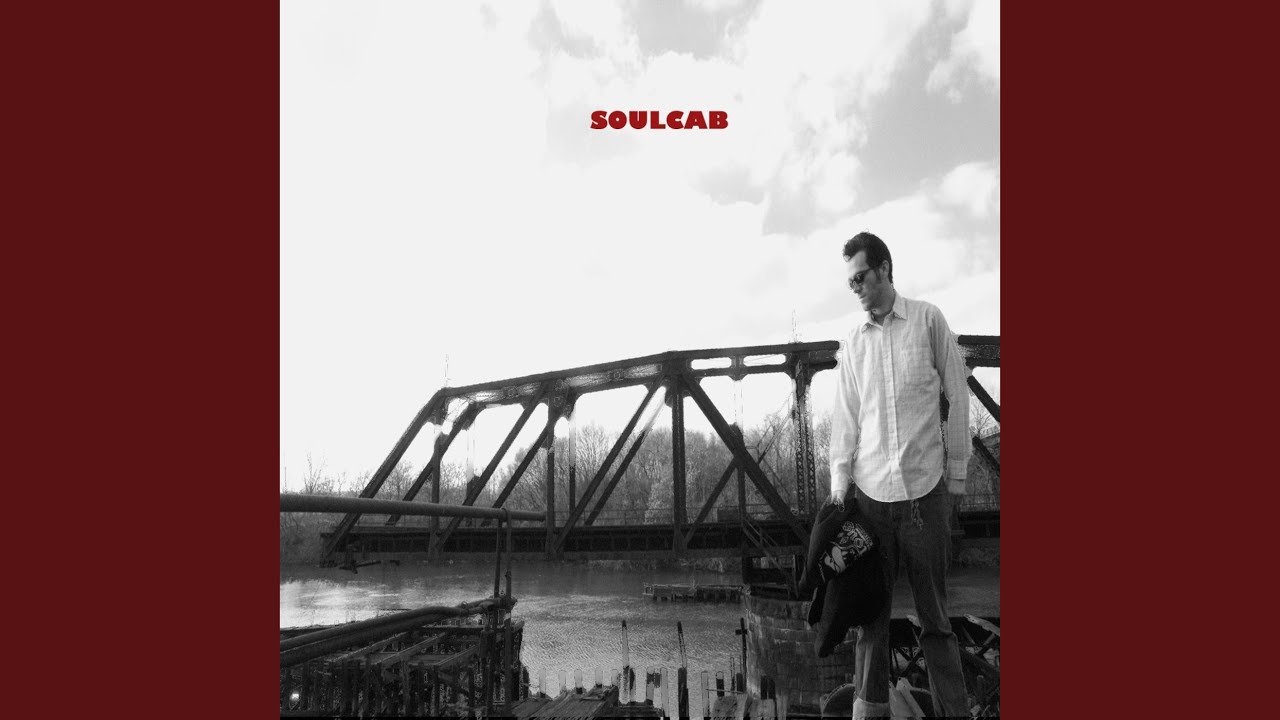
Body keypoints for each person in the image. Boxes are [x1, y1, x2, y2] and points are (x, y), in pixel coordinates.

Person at [828, 231, 972, 718]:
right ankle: (869, 713)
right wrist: (838, 488)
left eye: (861, 278)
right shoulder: (853, 343)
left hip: (924, 496)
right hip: (871, 499)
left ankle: (954, 712)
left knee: (936, 621)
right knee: (871, 621)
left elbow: (958, 394)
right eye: (850, 283)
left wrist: (956, 475)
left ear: (885, 268)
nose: (856, 289)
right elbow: (845, 421)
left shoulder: (929, 320)